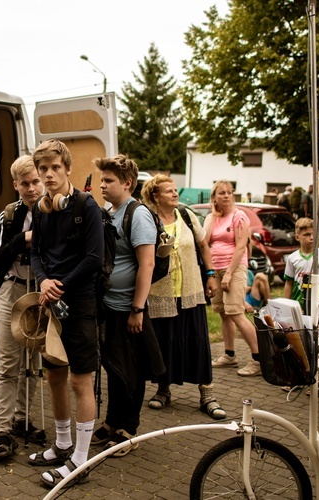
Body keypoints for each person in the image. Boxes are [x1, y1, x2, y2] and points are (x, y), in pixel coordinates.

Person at [26, 139, 103, 488]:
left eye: (55, 167)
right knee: (55, 376)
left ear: (67, 168)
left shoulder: (86, 205)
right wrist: (44, 282)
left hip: (81, 302)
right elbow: (36, 254)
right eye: (43, 169)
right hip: (51, 302)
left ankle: (81, 462)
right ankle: (61, 445)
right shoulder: (40, 210)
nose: (49, 174)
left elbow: (94, 258)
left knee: (79, 379)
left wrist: (60, 285)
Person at [92, 155, 165, 456]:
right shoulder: (112, 211)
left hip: (128, 309)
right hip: (110, 306)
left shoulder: (138, 214)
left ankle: (128, 429)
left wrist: (137, 309)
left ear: (127, 183)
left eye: (108, 180)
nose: (102, 185)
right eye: (101, 180)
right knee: (115, 369)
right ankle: (112, 422)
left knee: (131, 371)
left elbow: (146, 264)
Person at [140, 175, 225, 420]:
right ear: (156, 196)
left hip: (190, 291)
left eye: (175, 190)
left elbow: (204, 246)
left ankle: (207, 393)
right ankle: (163, 390)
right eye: (169, 191)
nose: (175, 194)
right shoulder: (149, 219)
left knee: (198, 341)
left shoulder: (186, 215)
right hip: (162, 292)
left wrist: (210, 275)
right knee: (165, 342)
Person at [0, 155, 44, 461]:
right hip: (13, 289)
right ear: (16, 186)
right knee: (9, 362)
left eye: (35, 181)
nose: (32, 188)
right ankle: (2, 429)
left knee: (34, 361)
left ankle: (24, 419)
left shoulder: (53, 212)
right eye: (25, 183)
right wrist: (23, 239)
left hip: (41, 292)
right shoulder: (8, 215)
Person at [206, 180, 263, 376]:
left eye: (230, 192)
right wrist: (211, 273)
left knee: (236, 312)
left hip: (235, 268)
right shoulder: (212, 218)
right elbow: (205, 243)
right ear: (214, 197)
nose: (227, 196)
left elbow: (241, 246)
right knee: (223, 312)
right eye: (222, 193)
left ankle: (259, 359)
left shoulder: (239, 216)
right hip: (216, 269)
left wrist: (229, 273)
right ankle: (229, 354)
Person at [283, 218, 319, 316]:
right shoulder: (292, 258)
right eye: (307, 234)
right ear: (297, 237)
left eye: (314, 234)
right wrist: (287, 304)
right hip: (298, 305)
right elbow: (289, 283)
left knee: (318, 330)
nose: (311, 237)